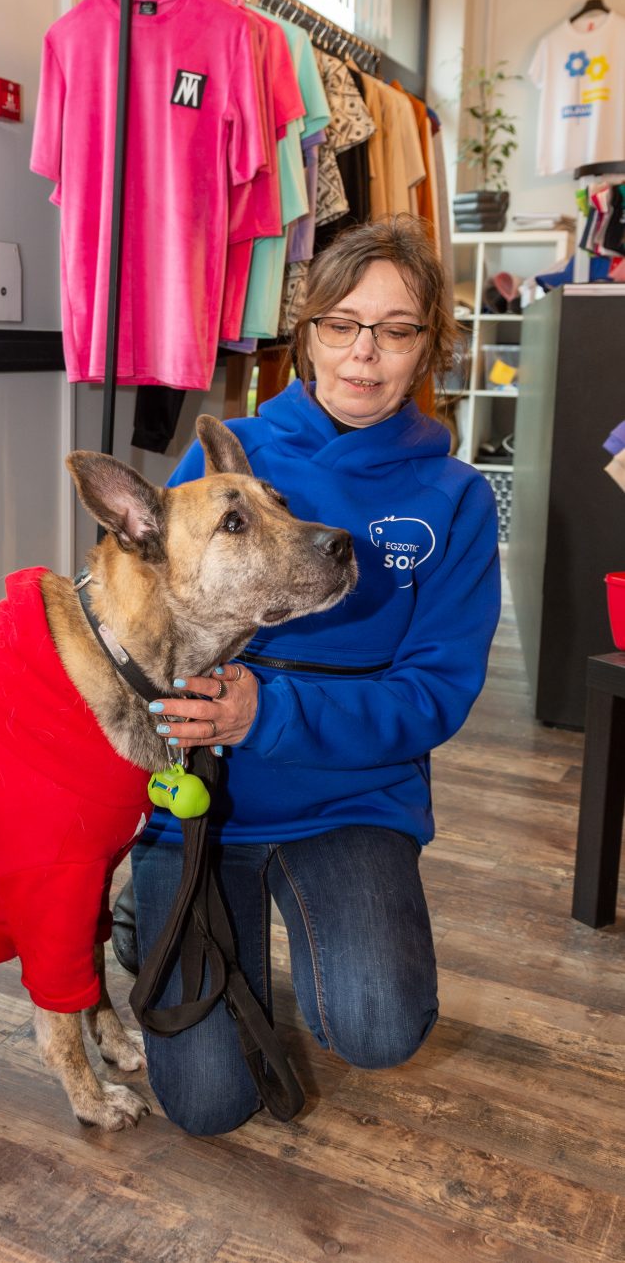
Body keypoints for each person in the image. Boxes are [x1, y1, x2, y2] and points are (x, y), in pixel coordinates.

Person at [129, 214, 501, 1136]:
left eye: (397, 329)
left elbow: (435, 693)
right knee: (209, 1106)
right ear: (307, 331)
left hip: (352, 796)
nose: (363, 355)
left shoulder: (451, 497)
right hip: (199, 798)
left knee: (379, 1027)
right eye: (341, 323)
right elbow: (148, 622)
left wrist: (273, 712)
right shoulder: (228, 456)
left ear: (429, 347)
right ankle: (154, 904)